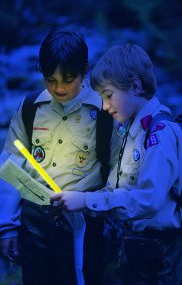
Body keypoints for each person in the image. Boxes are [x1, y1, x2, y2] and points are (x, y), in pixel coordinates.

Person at [51, 43, 182, 284]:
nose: (104, 106)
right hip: (135, 248)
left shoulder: (160, 134)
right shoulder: (127, 131)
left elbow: (147, 200)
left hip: (163, 257)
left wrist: (87, 201)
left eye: (108, 95)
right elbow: (117, 190)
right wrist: (79, 200)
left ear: (135, 86)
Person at [0, 28, 120, 285]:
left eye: (67, 79)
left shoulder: (104, 112)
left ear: (84, 70)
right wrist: (7, 228)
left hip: (86, 226)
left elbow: (119, 171)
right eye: (50, 79)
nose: (59, 87)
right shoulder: (30, 107)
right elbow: (10, 166)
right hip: (35, 225)